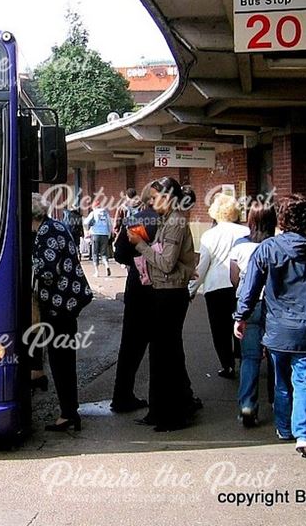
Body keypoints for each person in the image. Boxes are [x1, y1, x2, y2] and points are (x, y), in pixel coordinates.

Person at [235, 194, 306, 459]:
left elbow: (251, 287)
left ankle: (284, 428)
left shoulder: (267, 249)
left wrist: (241, 316)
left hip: (277, 330)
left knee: (282, 382)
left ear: (281, 219)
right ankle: (305, 435)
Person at [127, 177, 200, 432]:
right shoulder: (168, 220)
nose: (150, 201)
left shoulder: (176, 222)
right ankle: (160, 411)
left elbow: (167, 262)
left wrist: (141, 246)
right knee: (161, 355)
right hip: (163, 291)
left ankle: (172, 415)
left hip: (171, 294)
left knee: (165, 355)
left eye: (155, 197)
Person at [31, 193, 92, 432]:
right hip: (67, 302)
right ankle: (70, 411)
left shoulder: (46, 233)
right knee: (64, 360)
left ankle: (68, 413)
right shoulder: (57, 226)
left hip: (59, 305)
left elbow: (47, 270)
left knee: (61, 361)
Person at [227, 200, 277, 427]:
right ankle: (278, 402)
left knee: (249, 358)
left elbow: (234, 278)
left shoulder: (239, 245)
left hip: (249, 305)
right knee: (277, 358)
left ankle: (247, 405)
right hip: (275, 307)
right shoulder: (278, 244)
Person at [110, 192, 160, 413]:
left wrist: (134, 259)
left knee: (130, 346)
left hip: (136, 286)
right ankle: (163, 397)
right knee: (163, 346)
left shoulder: (135, 219)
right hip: (160, 287)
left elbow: (119, 254)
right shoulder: (166, 221)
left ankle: (121, 395)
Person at [190, 193, 250, 379]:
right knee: (240, 322)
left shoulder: (209, 235)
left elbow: (203, 265)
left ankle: (227, 365)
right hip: (240, 285)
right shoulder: (245, 232)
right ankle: (244, 358)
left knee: (219, 328)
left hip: (215, 287)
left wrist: (191, 289)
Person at [84, 195, 112, 277]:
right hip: (105, 234)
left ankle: (97, 272)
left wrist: (87, 230)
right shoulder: (106, 213)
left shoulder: (93, 213)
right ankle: (107, 265)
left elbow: (86, 223)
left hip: (95, 234)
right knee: (104, 253)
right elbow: (109, 224)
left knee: (95, 253)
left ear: (94, 207)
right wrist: (109, 233)